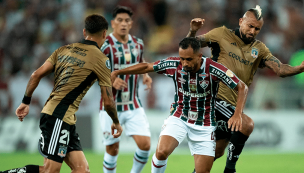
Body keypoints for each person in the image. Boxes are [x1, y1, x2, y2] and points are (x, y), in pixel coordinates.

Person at [186, 5, 304, 173]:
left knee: (215, 154)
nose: (253, 31)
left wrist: (298, 69)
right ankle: (230, 170)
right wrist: (192, 31)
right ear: (241, 21)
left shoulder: (259, 49)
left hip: (234, 106)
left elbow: (280, 69)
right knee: (246, 124)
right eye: (250, 26)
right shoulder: (221, 34)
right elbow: (188, 47)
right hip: (213, 98)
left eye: (257, 28)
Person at [1, 14, 123, 173]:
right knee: (50, 170)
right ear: (105, 34)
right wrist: (115, 121)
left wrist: (25, 101)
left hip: (64, 118)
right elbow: (108, 101)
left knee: (82, 170)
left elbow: (35, 75)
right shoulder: (101, 60)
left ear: (85, 31)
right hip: (58, 116)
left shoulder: (63, 50)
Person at [111, 37, 249, 173]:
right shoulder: (174, 64)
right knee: (161, 152)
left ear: (199, 56)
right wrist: (118, 72)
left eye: (189, 59)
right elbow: (147, 66)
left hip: (204, 124)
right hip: (180, 117)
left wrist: (237, 114)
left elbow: (242, 87)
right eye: (182, 58)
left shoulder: (214, 69)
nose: (184, 63)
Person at [98, 6, 152, 173]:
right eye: (119, 20)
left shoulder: (138, 43)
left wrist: (145, 75)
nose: (123, 24)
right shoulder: (105, 46)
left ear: (131, 23)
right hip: (110, 105)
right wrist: (110, 81)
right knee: (112, 149)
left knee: (145, 145)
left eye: (126, 20)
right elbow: (94, 72)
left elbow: (140, 59)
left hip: (133, 104)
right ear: (113, 23)